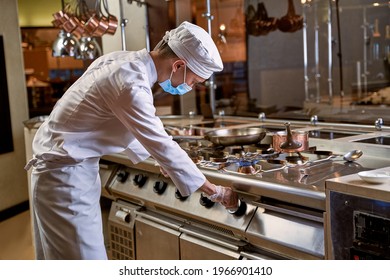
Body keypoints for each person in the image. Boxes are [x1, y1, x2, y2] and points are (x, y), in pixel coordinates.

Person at [25, 21, 238, 260]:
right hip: (65, 178)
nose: (191, 87)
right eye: (194, 81)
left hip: (65, 169)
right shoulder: (130, 83)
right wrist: (215, 191)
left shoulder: (122, 61)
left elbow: (122, 123)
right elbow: (161, 142)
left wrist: (160, 160)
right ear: (179, 65)